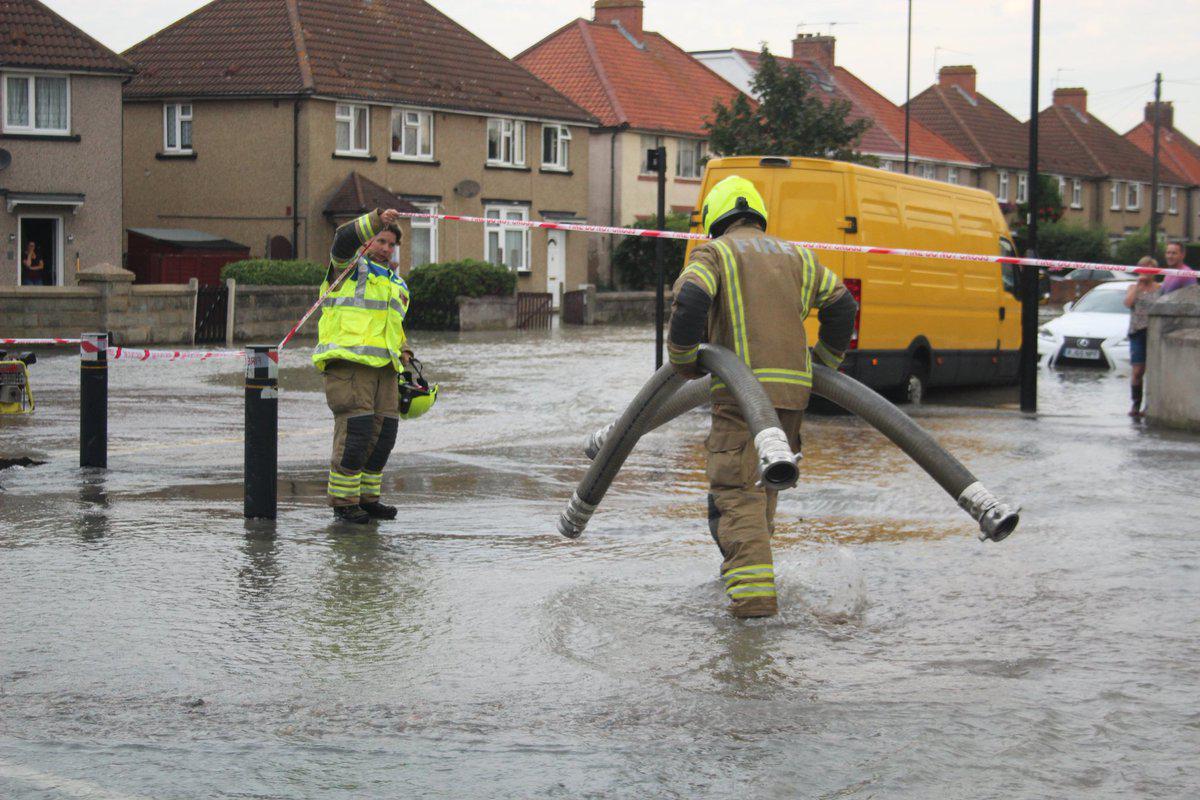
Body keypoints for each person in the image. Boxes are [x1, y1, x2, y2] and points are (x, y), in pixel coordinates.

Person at [666, 176, 858, 619]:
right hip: (791, 400)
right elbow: (843, 305)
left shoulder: (715, 253)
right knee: (761, 493)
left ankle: (753, 613)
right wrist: (823, 363)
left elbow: (690, 297)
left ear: (715, 220)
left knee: (736, 497)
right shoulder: (798, 256)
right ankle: (751, 584)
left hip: (741, 400)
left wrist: (684, 361)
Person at [313, 208, 413, 524]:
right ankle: (344, 503)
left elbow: (393, 325)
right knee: (355, 434)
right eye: (380, 240)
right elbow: (342, 238)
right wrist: (376, 219)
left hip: (386, 370)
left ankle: (368, 500)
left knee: (383, 437)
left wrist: (405, 352)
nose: (385, 248)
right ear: (367, 241)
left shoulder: (397, 284)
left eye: (391, 244)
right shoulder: (348, 269)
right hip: (350, 366)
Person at [1123, 257, 1160, 418]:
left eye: (1148, 268)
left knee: (1153, 370)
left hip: (1154, 333)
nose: (1145, 271)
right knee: (1138, 371)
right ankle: (1136, 403)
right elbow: (1127, 303)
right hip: (1137, 332)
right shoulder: (1133, 287)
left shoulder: (1160, 288)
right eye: (1142, 268)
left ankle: (1150, 405)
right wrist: (1138, 286)